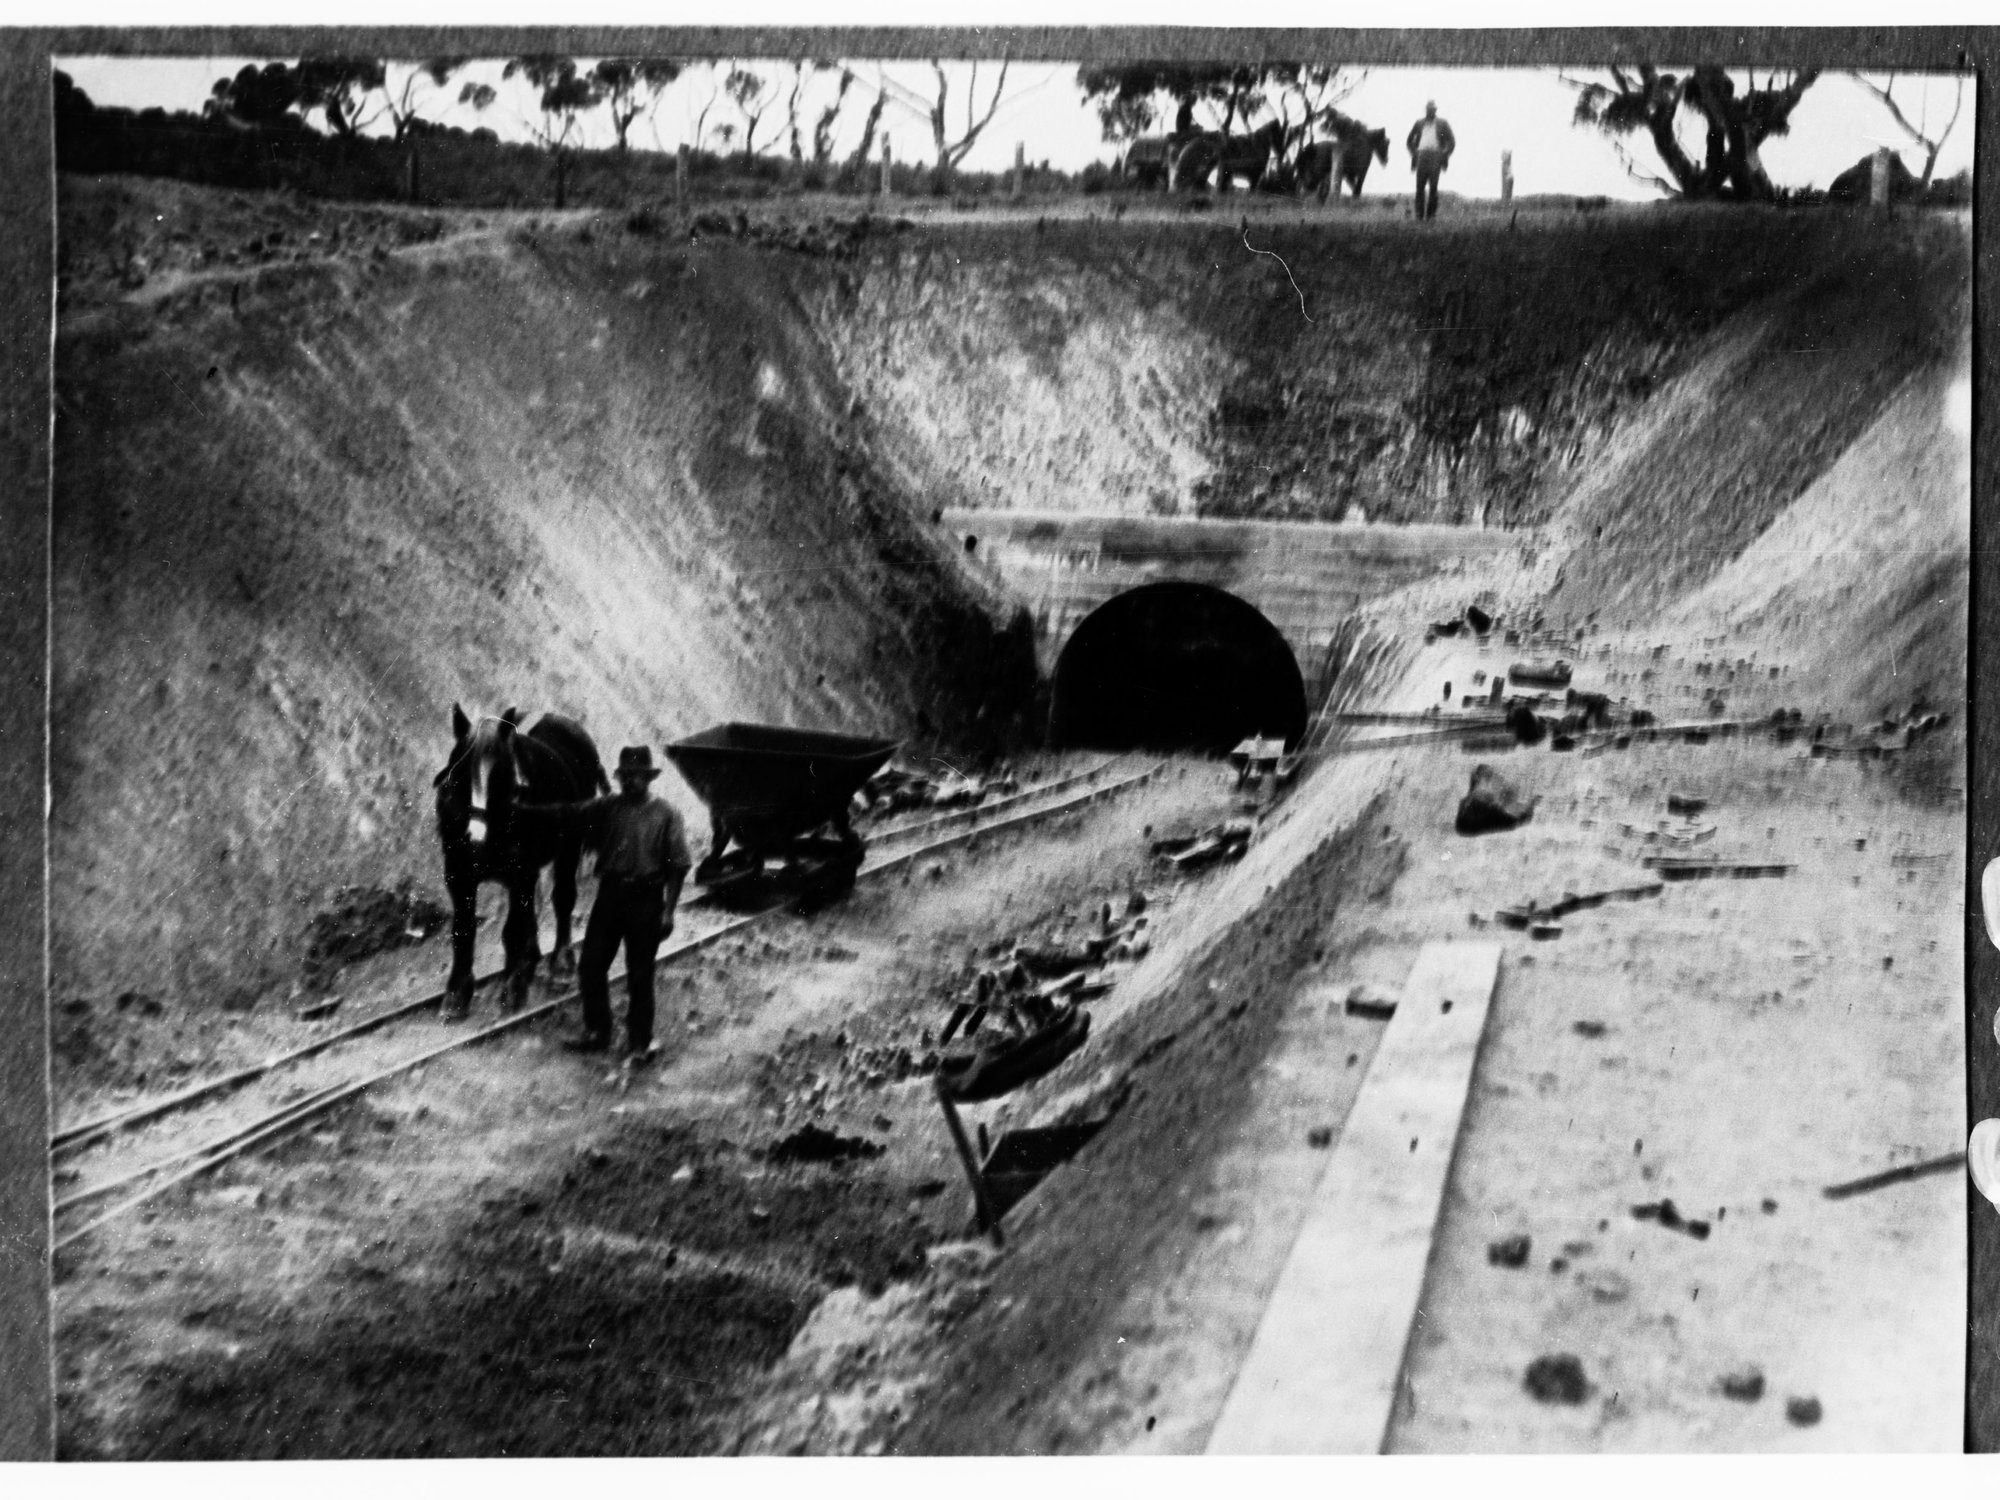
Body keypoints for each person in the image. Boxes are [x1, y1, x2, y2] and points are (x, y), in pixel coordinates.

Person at [562, 745, 691, 1065]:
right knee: (590, 965)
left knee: (639, 974)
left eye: (637, 776)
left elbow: (678, 866)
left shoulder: (667, 814)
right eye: (626, 776)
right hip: (610, 896)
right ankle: (597, 1031)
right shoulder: (608, 808)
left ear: (648, 778)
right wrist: (518, 808)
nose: (630, 782)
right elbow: (569, 812)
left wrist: (669, 911)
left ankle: (640, 1043)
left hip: (646, 900)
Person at [1406, 100, 1456, 221]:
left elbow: (1452, 141)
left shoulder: (1442, 123)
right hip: (1421, 156)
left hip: (1435, 157)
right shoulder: (1419, 123)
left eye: (1433, 109)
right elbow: (1409, 141)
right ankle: (1419, 215)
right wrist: (1415, 153)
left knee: (1433, 188)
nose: (1431, 111)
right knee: (1419, 187)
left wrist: (1444, 154)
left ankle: (1430, 215)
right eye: (1429, 109)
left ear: (1436, 110)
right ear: (1425, 110)